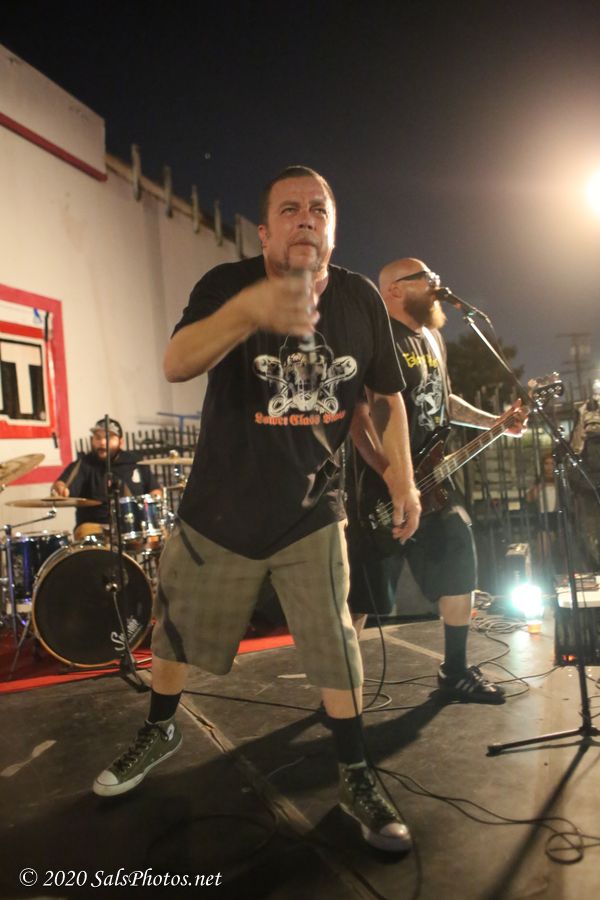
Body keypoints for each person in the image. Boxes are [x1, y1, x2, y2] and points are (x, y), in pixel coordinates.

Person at [92, 167, 422, 853]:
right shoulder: (226, 285)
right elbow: (176, 362)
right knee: (176, 635)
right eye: (290, 209)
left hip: (312, 510)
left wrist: (404, 480)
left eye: (319, 209)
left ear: (333, 230)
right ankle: (159, 728)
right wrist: (251, 310)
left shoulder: (359, 299)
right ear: (265, 233)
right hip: (221, 509)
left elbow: (386, 398)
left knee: (336, 643)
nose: (307, 218)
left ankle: (355, 772)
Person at [347, 258, 527, 704]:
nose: (436, 285)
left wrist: (495, 422)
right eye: (425, 279)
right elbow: (360, 415)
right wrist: (393, 476)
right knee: (364, 598)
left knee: (459, 564)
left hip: (435, 482)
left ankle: (455, 671)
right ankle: (341, 688)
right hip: (383, 487)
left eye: (436, 278)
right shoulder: (376, 338)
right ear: (393, 290)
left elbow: (443, 400)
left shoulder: (432, 338)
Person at [51, 417, 162, 541]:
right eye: (98, 438)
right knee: (85, 533)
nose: (102, 442)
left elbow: (155, 490)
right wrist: (60, 488)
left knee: (160, 537)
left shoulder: (135, 462)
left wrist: (155, 503)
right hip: (94, 526)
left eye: (108, 437)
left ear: (121, 441)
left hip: (134, 525)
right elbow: (61, 485)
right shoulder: (84, 464)